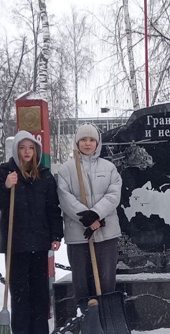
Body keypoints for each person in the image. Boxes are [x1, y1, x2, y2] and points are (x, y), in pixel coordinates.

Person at [0, 130, 64, 334]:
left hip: (39, 241)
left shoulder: (45, 174)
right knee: (19, 290)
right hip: (15, 242)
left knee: (40, 289)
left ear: (36, 150)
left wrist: (56, 234)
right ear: (16, 150)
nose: (27, 152)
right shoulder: (6, 172)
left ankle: (40, 332)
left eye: (31, 148)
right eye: (22, 148)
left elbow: (52, 207)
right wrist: (6, 186)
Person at [56, 124, 122, 306]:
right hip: (78, 235)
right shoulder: (66, 170)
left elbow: (113, 195)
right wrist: (85, 218)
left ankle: (105, 318)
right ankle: (86, 319)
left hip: (106, 234)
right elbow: (65, 197)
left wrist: (95, 214)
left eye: (91, 140)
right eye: (83, 140)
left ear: (97, 143)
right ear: (77, 142)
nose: (87, 143)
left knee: (106, 280)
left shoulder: (109, 168)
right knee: (82, 281)